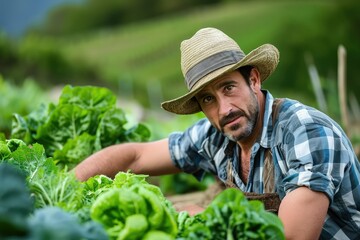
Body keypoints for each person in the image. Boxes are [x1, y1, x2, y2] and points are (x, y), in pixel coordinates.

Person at [74, 27, 360, 240]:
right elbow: (135, 156)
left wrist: (205, 220)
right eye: (208, 99)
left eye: (228, 88)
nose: (224, 109)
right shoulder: (216, 136)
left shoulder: (305, 131)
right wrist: (66, 187)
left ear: (254, 79)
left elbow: (291, 237)